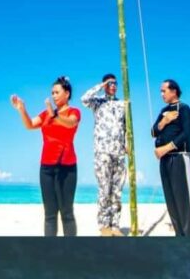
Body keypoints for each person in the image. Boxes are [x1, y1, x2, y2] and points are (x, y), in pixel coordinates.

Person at [11, 76, 81, 237]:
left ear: (67, 94)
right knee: (50, 214)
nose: (54, 95)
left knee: (67, 213)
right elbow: (29, 125)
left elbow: (70, 123)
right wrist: (22, 109)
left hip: (67, 167)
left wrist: (55, 116)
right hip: (46, 168)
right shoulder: (46, 114)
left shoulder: (74, 112)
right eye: (52, 93)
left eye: (57, 92)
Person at [82, 73, 127, 236]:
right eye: (110, 83)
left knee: (117, 190)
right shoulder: (97, 103)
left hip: (119, 152)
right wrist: (100, 86)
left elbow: (126, 127)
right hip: (102, 152)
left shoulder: (123, 104)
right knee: (104, 189)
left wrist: (127, 144)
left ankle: (115, 224)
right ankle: (104, 225)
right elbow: (84, 98)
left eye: (115, 83)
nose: (113, 85)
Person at [151, 79, 190, 236]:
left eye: (164, 90)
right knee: (171, 202)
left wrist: (166, 148)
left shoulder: (184, 109)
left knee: (184, 203)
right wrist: (164, 121)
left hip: (179, 158)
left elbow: (186, 135)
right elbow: (153, 132)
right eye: (161, 91)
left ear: (174, 91)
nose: (161, 94)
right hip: (164, 161)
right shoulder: (164, 110)